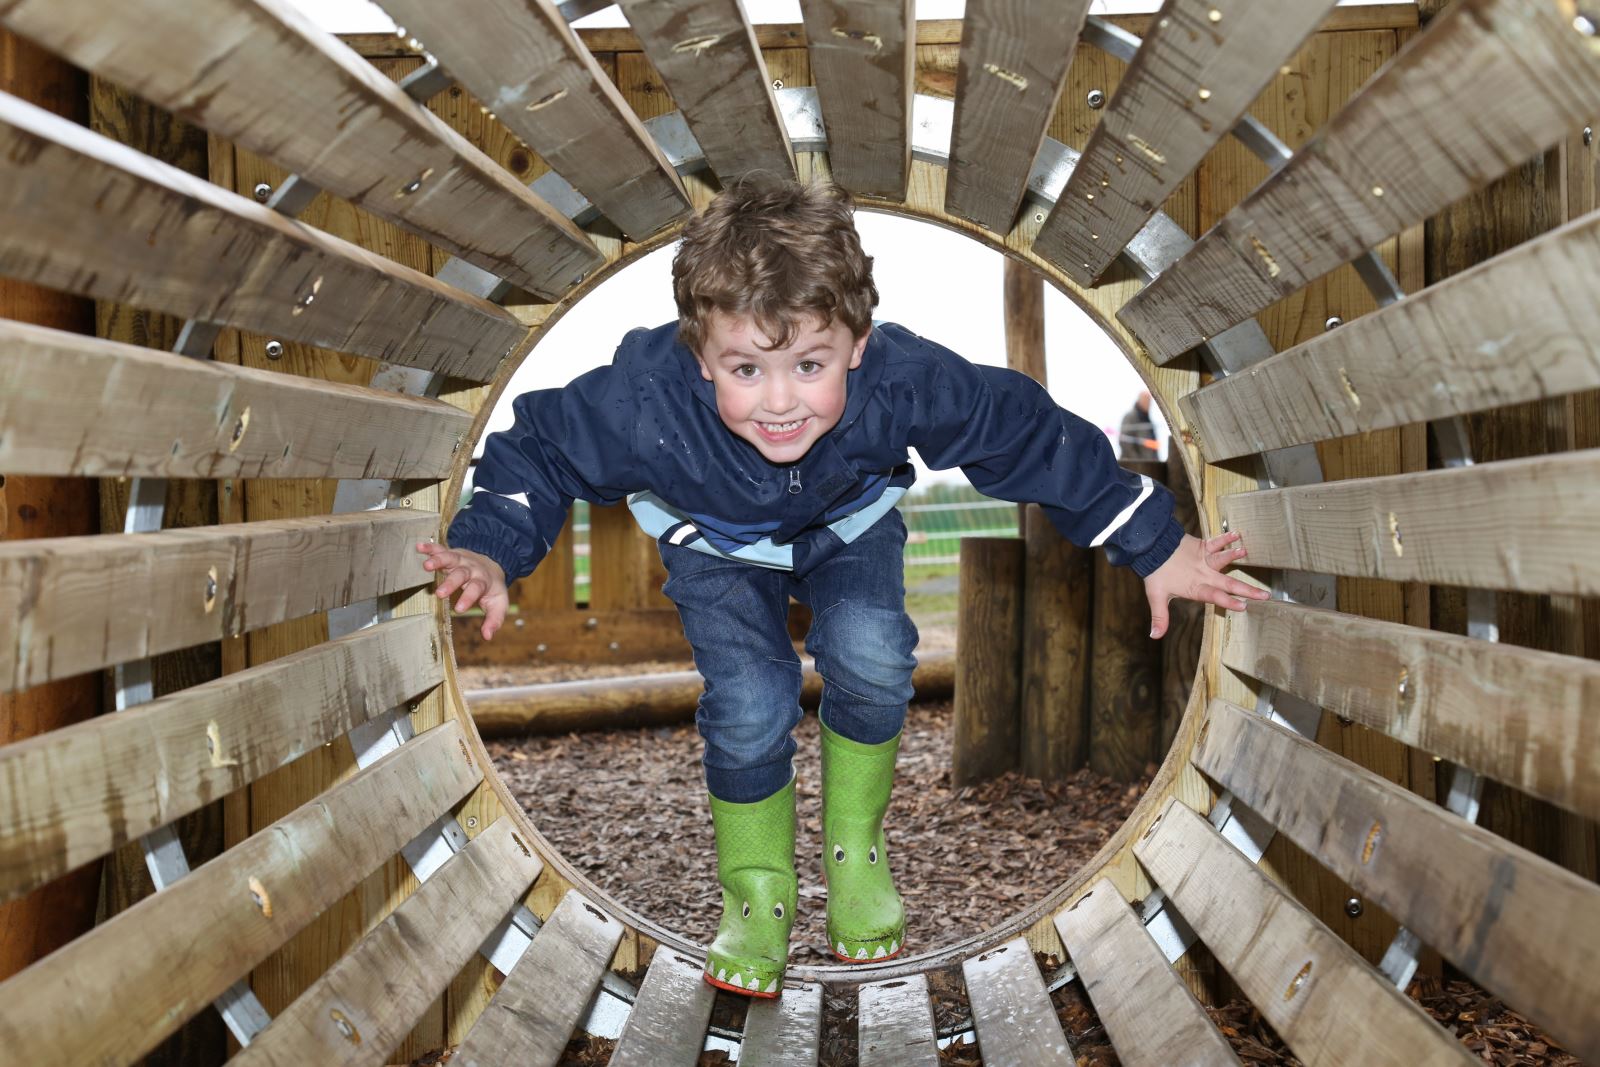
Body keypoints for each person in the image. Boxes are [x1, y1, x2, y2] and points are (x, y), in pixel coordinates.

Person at [415, 179, 1266, 998]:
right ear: (700, 354)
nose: (780, 402)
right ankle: (756, 892)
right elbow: (540, 447)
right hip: (714, 545)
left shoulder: (899, 379)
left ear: (859, 342)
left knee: (872, 654)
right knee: (749, 702)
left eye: (811, 364)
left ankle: (854, 849)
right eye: (745, 369)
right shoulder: (648, 399)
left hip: (849, 525)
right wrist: (490, 549)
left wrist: (1152, 542)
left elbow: (1020, 429)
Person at [1119, 389, 1160, 460]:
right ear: (1139, 401)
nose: (1148, 404)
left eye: (1149, 402)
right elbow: (1125, 441)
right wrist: (1137, 461)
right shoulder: (1130, 417)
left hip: (1148, 465)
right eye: (1146, 401)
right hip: (1133, 465)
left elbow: (1153, 444)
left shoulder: (1148, 420)